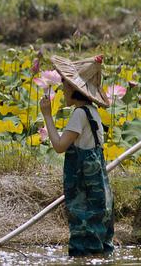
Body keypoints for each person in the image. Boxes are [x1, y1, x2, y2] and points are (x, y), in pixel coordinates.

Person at [40, 55, 115, 256]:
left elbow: (59, 146)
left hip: (85, 192)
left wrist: (47, 115)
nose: (62, 87)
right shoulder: (93, 112)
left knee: (84, 239)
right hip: (99, 190)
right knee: (100, 237)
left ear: (74, 89)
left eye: (65, 83)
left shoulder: (79, 114)